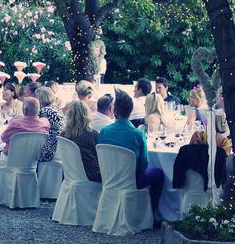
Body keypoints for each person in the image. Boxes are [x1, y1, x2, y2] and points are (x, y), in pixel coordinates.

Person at [97, 90, 164, 220]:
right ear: (130, 111)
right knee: (158, 174)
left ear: (114, 111)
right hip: (130, 181)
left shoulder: (104, 132)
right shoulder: (137, 134)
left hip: (108, 178)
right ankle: (152, 214)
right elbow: (143, 165)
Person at [0, 97, 50, 183]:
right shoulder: (45, 123)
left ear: (25, 111)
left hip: (12, 160)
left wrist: (12, 122)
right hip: (32, 161)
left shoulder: (16, 123)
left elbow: (4, 138)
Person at [62, 100, 101, 182]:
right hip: (90, 175)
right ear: (87, 115)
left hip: (70, 174)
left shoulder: (63, 135)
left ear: (69, 115)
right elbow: (100, 158)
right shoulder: (92, 135)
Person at [35, 87, 64, 163]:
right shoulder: (56, 109)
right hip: (60, 148)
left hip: (49, 149)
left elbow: (34, 129)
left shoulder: (44, 111)